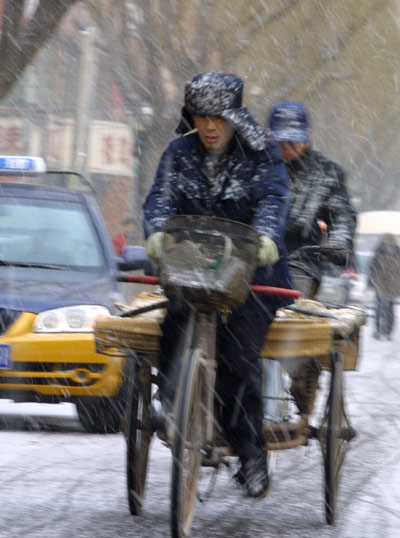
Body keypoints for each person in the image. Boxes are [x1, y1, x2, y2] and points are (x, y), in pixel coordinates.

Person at [143, 71, 293, 499]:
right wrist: (155, 230)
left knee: (238, 364)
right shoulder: (177, 153)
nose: (209, 127)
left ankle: (251, 455)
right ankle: (170, 403)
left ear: (235, 118)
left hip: (253, 284)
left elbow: (273, 198)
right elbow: (160, 198)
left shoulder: (263, 154)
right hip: (191, 274)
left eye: (219, 118)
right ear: (190, 115)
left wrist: (266, 237)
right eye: (201, 116)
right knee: (173, 327)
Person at [266, 100, 357, 299]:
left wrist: (338, 241)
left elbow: (341, 216)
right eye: (281, 142)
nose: (287, 148)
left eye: (293, 142)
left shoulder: (327, 173)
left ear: (307, 137)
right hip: (254, 258)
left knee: (293, 295)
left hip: (303, 261)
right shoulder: (256, 167)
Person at [368, 233, 400, 340]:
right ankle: (378, 331)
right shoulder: (378, 253)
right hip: (380, 284)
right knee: (378, 308)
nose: (387, 245)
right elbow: (372, 268)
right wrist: (371, 283)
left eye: (389, 243)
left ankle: (388, 332)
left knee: (389, 309)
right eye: (385, 243)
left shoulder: (398, 254)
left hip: (393, 285)